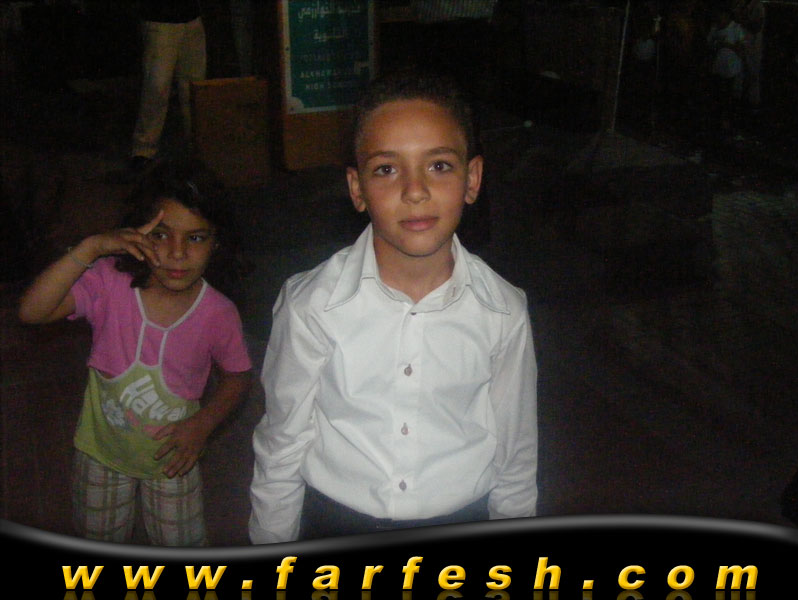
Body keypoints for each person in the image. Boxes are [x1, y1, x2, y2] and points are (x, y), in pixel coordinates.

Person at [248, 69, 538, 543]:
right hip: (336, 522)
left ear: (473, 178)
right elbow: (282, 441)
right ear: (357, 188)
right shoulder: (312, 305)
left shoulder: (502, 311)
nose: (415, 190)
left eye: (439, 165)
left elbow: (517, 448)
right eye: (386, 169)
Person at [17, 161, 252, 546]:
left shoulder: (218, 313)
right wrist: (92, 247)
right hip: (102, 455)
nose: (177, 253)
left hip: (173, 459)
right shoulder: (109, 283)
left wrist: (203, 424)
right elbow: (32, 311)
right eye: (161, 234)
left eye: (195, 238)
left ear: (217, 243)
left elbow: (237, 376)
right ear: (136, 233)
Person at [129, 0, 207, 173]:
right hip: (161, 18)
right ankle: (144, 150)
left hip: (189, 17)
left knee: (194, 87)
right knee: (157, 87)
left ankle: (197, 145)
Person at [733, 0, 765, 110]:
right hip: (742, 45)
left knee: (752, 74)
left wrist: (741, 20)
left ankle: (752, 102)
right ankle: (742, 100)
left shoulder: (757, 5)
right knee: (740, 73)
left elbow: (756, 26)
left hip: (752, 46)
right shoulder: (741, 4)